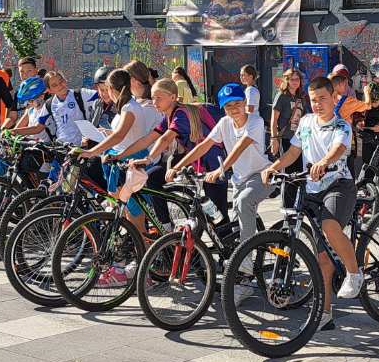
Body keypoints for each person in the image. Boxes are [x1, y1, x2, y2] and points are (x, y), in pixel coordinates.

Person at [261, 76, 358, 327]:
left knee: (329, 226)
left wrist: (324, 162)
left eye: (322, 99)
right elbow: (294, 152)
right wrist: (273, 167)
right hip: (312, 189)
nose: (317, 104)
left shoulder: (341, 126)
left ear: (333, 98)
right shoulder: (304, 122)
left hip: (338, 185)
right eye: (313, 100)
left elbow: (338, 149)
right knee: (322, 259)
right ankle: (324, 314)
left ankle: (354, 273)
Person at [173, 82, 269, 241]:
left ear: (245, 102)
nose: (233, 109)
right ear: (223, 109)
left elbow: (239, 147)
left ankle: (245, 263)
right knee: (236, 226)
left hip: (261, 175)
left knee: (244, 203)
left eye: (237, 103)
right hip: (239, 180)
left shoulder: (255, 122)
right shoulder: (224, 123)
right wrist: (177, 167)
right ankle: (236, 256)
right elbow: (203, 146)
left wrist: (219, 170)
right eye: (228, 106)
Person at [78, 69, 163, 242]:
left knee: (134, 209)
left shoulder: (130, 108)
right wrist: (106, 133)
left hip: (130, 158)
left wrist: (91, 152)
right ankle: (137, 247)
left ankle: (144, 250)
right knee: (126, 207)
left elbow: (121, 136)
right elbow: (122, 134)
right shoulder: (126, 106)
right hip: (121, 156)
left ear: (111, 88)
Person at [129, 78, 226, 225]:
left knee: (219, 216)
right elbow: (147, 139)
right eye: (153, 98)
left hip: (211, 161)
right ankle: (166, 225)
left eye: (159, 98)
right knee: (153, 177)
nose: (155, 102)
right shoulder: (169, 116)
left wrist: (148, 160)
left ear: (173, 97)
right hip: (194, 158)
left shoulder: (181, 115)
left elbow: (165, 139)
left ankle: (231, 244)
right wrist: (120, 155)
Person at [271, 68, 309, 159]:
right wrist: (274, 139)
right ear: (287, 80)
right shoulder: (282, 96)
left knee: (299, 169)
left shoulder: (301, 96)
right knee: (287, 168)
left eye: (297, 79)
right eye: (292, 79)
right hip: (285, 138)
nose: (295, 82)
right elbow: (274, 119)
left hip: (298, 139)